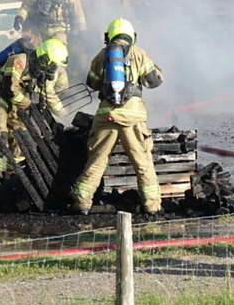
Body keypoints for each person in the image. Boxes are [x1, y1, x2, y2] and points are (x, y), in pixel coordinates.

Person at [70, 18, 164, 215]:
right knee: (142, 163)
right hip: (132, 118)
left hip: (106, 116)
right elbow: (154, 81)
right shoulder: (138, 53)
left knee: (97, 160)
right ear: (131, 37)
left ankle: (81, 203)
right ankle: (152, 206)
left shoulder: (101, 55)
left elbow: (92, 83)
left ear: (109, 36)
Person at [0, 39, 69, 184]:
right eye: (53, 64)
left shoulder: (43, 70)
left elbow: (50, 95)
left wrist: (65, 117)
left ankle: (14, 178)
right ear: (44, 57)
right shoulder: (18, 61)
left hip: (17, 105)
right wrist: (30, 105)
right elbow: (11, 91)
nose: (53, 68)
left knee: (19, 141)